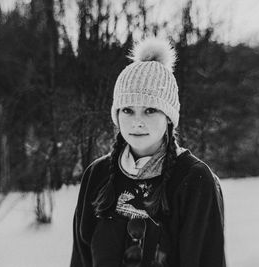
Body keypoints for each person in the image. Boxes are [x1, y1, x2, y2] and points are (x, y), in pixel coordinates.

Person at [70, 37, 226, 267]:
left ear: (169, 117)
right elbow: (81, 259)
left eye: (150, 110)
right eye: (128, 110)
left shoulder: (194, 179)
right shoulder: (98, 174)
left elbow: (207, 259)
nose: (137, 122)